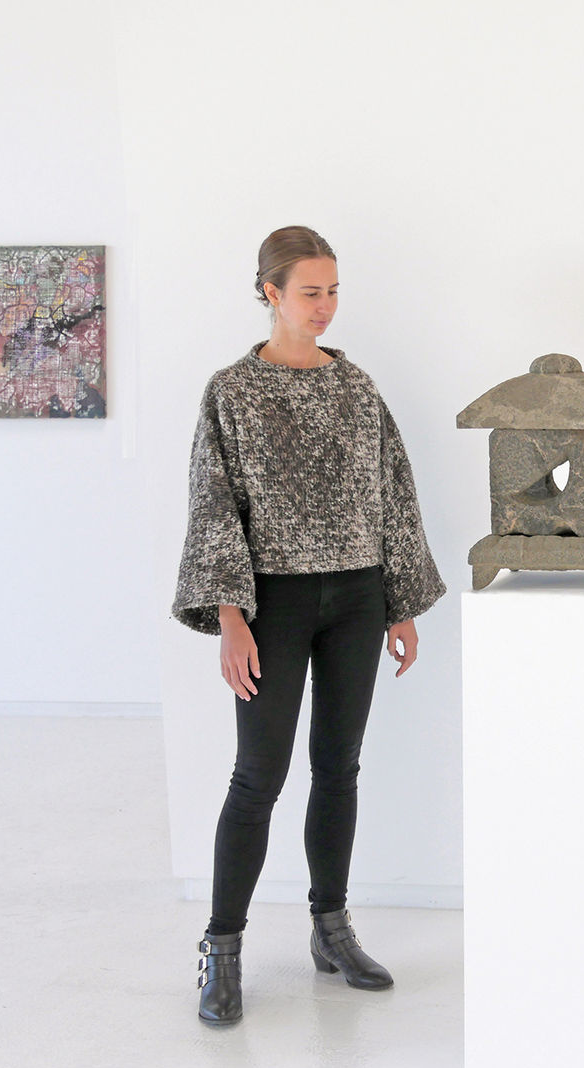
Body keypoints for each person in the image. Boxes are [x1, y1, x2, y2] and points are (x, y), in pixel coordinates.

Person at [171, 225, 446, 1027]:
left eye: (332, 291)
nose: (323, 307)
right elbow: (213, 503)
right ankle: (221, 949)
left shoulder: (357, 388)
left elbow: (392, 491)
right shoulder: (232, 391)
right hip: (275, 606)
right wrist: (230, 616)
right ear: (270, 292)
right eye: (308, 292)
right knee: (257, 777)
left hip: (358, 596)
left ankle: (331, 928)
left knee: (340, 767)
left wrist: (399, 603)